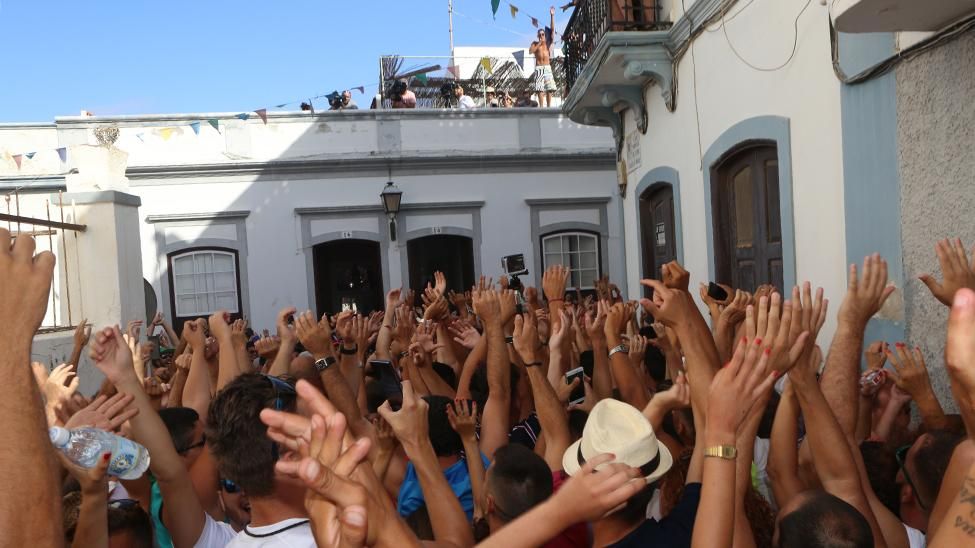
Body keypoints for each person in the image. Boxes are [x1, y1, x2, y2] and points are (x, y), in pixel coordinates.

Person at [529, 6, 558, 107]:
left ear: (545, 35)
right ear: (538, 36)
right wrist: (539, 43)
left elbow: (553, 29)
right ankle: (541, 107)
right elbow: (530, 51)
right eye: (540, 34)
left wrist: (552, 16)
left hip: (547, 67)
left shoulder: (548, 43)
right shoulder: (534, 43)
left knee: (549, 88)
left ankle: (549, 106)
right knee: (540, 89)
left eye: (543, 34)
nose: (541, 36)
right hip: (539, 67)